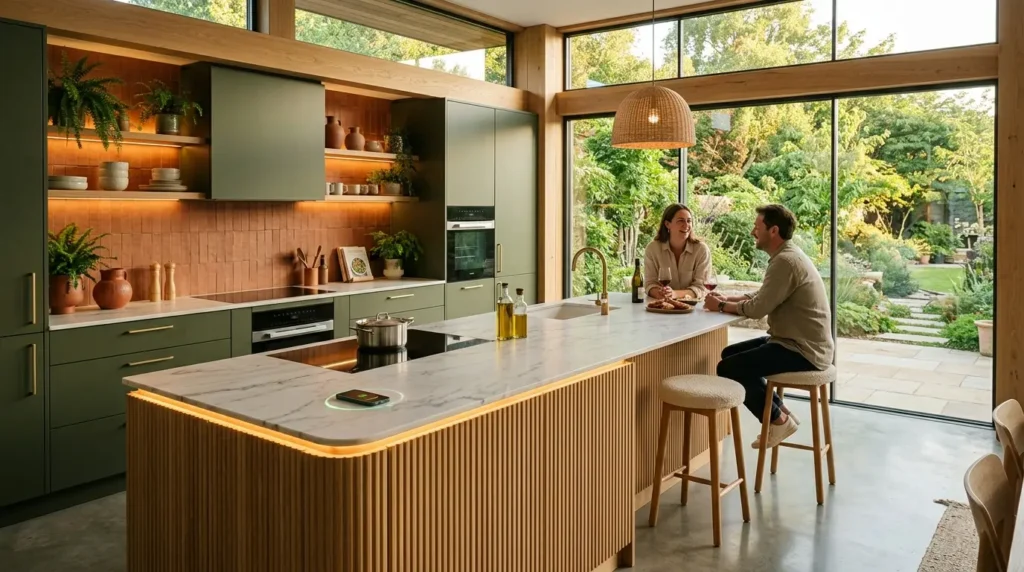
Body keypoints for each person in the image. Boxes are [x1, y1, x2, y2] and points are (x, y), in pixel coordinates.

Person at [703, 204, 834, 449]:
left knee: (728, 367)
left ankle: (777, 421)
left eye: (757, 227)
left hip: (803, 350)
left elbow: (756, 309)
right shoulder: (788, 255)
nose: (753, 232)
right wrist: (726, 299)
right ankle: (782, 413)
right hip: (797, 342)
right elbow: (763, 295)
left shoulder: (785, 261)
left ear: (773, 230)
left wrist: (720, 307)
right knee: (729, 354)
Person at [643, 204, 712, 300]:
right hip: (662, 307)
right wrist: (659, 293)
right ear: (667, 224)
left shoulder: (701, 250)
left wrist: (675, 294)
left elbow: (701, 287)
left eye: (689, 221)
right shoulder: (652, 249)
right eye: (681, 221)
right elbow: (650, 284)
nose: (686, 225)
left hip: (693, 308)